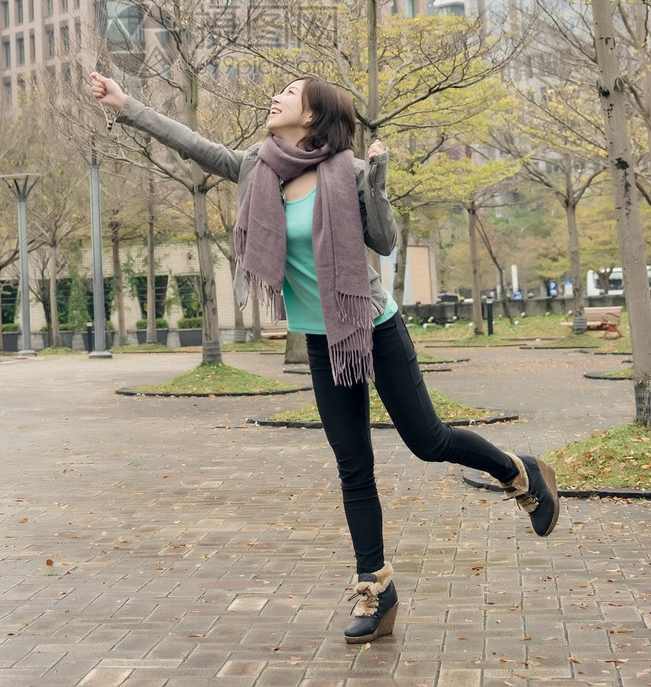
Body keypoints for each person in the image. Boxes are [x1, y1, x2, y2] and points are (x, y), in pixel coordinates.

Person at [90, 71, 560, 644]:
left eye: (289, 92)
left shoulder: (350, 172)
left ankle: (519, 471)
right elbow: (191, 142)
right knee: (353, 466)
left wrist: (378, 183)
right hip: (321, 338)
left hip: (374, 328)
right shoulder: (256, 167)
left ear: (312, 116)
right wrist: (126, 105)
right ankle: (376, 591)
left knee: (427, 441)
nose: (275, 95)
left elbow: (384, 242)